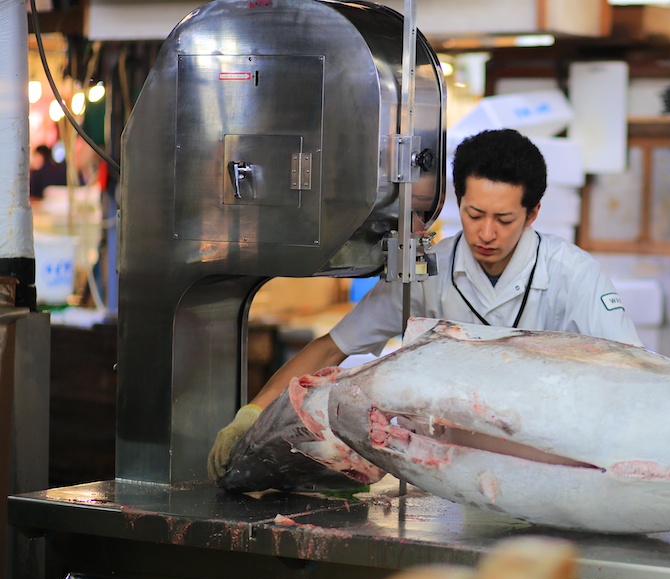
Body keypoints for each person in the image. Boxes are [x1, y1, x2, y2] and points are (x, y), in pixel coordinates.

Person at [207, 128, 642, 480]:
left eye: (504, 219)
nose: (486, 233)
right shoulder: (426, 270)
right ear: (458, 202)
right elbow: (331, 347)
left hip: (546, 467)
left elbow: (632, 373)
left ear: (532, 214)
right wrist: (252, 414)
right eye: (474, 214)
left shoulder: (573, 274)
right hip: (444, 471)